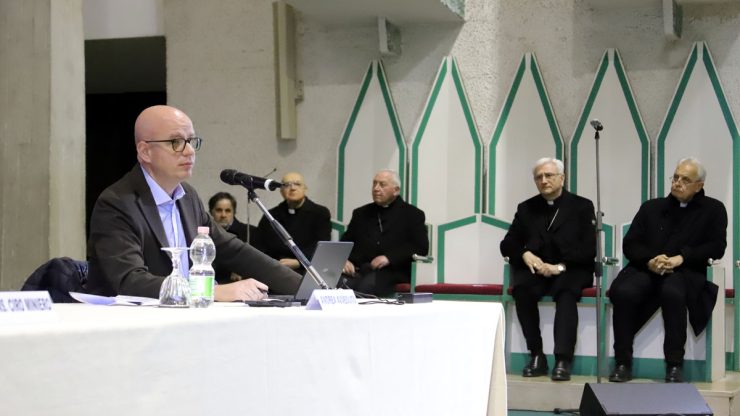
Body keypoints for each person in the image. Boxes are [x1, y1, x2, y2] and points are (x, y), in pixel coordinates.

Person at [86, 105, 301, 301]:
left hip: (186, 317)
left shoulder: (187, 196)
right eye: (176, 142)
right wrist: (211, 292)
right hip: (130, 323)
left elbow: (233, 250)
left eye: (191, 141)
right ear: (145, 152)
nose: (189, 151)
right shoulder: (116, 203)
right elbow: (130, 281)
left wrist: (306, 288)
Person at [608, 157, 726, 383]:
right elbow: (630, 243)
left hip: (685, 270)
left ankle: (674, 365)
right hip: (647, 268)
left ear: (699, 185)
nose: (677, 183)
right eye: (676, 177)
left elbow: (716, 247)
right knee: (623, 292)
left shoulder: (713, 209)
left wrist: (682, 258)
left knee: (673, 294)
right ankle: (622, 362)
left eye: (685, 180)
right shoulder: (651, 207)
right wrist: (650, 261)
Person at [500, 157, 596, 381]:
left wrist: (559, 267)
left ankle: (563, 359)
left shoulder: (582, 206)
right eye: (539, 177)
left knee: (566, 292)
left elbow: (588, 249)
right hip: (538, 269)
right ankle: (536, 355)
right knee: (522, 290)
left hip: (571, 268)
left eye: (549, 175)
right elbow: (507, 243)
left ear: (562, 178)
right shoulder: (526, 208)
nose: (543, 180)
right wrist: (525, 254)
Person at [341, 169, 428, 296]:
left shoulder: (412, 214)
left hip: (393, 271)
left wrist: (389, 257)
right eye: (374, 184)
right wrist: (344, 260)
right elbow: (345, 243)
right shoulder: (360, 213)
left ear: (396, 190)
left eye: (382, 185)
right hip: (359, 269)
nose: (376, 188)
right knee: (337, 283)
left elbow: (421, 247)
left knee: (366, 286)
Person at [256, 172, 331, 271]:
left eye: (297, 184)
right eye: (287, 185)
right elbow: (260, 245)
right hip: (275, 268)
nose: (292, 188)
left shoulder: (320, 213)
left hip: (307, 269)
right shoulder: (270, 215)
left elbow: (323, 247)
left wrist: (299, 262)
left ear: (305, 188)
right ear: (281, 191)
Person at [207, 191, 260, 284]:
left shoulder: (251, 232)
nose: (223, 215)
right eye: (219, 210)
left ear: (234, 212)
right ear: (211, 212)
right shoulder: (204, 235)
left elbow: (259, 264)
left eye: (228, 211)